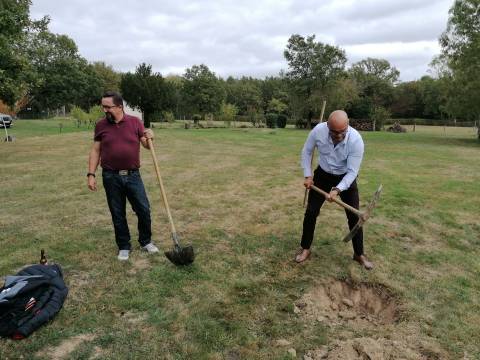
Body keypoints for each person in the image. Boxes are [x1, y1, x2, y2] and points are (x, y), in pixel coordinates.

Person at [296, 110, 373, 270]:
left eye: (341, 132)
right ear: (327, 125)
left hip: (345, 178)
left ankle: (359, 254)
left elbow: (352, 172)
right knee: (311, 212)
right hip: (322, 175)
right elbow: (307, 151)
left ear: (348, 125)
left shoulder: (356, 140)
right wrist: (308, 175)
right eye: (333, 132)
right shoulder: (318, 131)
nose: (337, 135)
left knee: (354, 216)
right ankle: (305, 248)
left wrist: (337, 190)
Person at [87, 91, 159, 261]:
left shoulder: (135, 122)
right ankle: (124, 246)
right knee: (117, 212)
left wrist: (151, 137)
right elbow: (96, 150)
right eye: (103, 106)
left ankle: (145, 241)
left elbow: (146, 145)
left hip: (133, 176)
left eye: (108, 107)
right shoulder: (101, 125)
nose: (105, 110)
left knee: (143, 209)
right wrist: (91, 174)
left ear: (119, 107)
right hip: (111, 176)